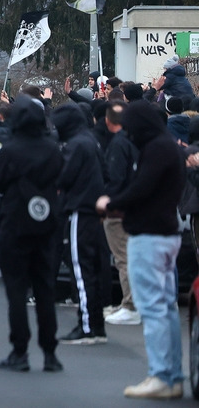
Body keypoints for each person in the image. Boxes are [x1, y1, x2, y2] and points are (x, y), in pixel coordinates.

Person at [97, 100, 185, 399]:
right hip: (165, 233)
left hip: (149, 236)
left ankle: (161, 374)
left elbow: (141, 187)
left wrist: (111, 203)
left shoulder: (156, 149)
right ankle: (172, 375)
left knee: (153, 309)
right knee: (166, 308)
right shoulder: (166, 146)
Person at [0, 98, 65, 373]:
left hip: (15, 223)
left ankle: (20, 350)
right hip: (46, 225)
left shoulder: (11, 150)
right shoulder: (52, 149)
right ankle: (50, 353)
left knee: (16, 290)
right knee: (44, 289)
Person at [50, 103, 108, 346]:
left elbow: (64, 176)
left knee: (81, 269)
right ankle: (96, 325)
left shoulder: (75, 145)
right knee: (91, 268)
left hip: (79, 209)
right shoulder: (91, 141)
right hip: (93, 209)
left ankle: (85, 326)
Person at [101, 101, 140, 326]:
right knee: (129, 256)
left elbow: (114, 177)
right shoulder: (134, 142)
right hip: (132, 207)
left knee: (123, 258)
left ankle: (130, 304)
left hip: (118, 210)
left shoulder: (117, 144)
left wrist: (109, 204)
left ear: (107, 121)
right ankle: (130, 302)